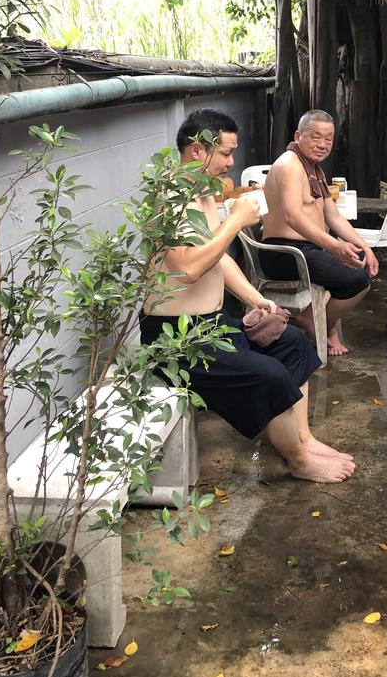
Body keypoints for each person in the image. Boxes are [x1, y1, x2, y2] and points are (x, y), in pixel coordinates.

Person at [139, 108, 354, 483]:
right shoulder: (168, 200)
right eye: (225, 153)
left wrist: (257, 299)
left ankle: (302, 438)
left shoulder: (202, 193)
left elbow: (219, 261)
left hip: (209, 326)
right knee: (269, 373)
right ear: (196, 151)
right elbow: (187, 270)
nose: (231, 162)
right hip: (176, 338)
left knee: (292, 343)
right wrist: (234, 222)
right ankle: (298, 460)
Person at [260, 110, 378, 357]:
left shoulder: (314, 168)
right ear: (298, 136)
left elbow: (333, 216)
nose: (322, 144)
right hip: (285, 253)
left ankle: (319, 320)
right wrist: (335, 247)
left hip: (310, 249)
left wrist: (364, 247)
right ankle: (314, 321)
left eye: (328, 138)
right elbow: (292, 216)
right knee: (356, 280)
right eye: (315, 137)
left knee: (362, 267)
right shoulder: (290, 165)